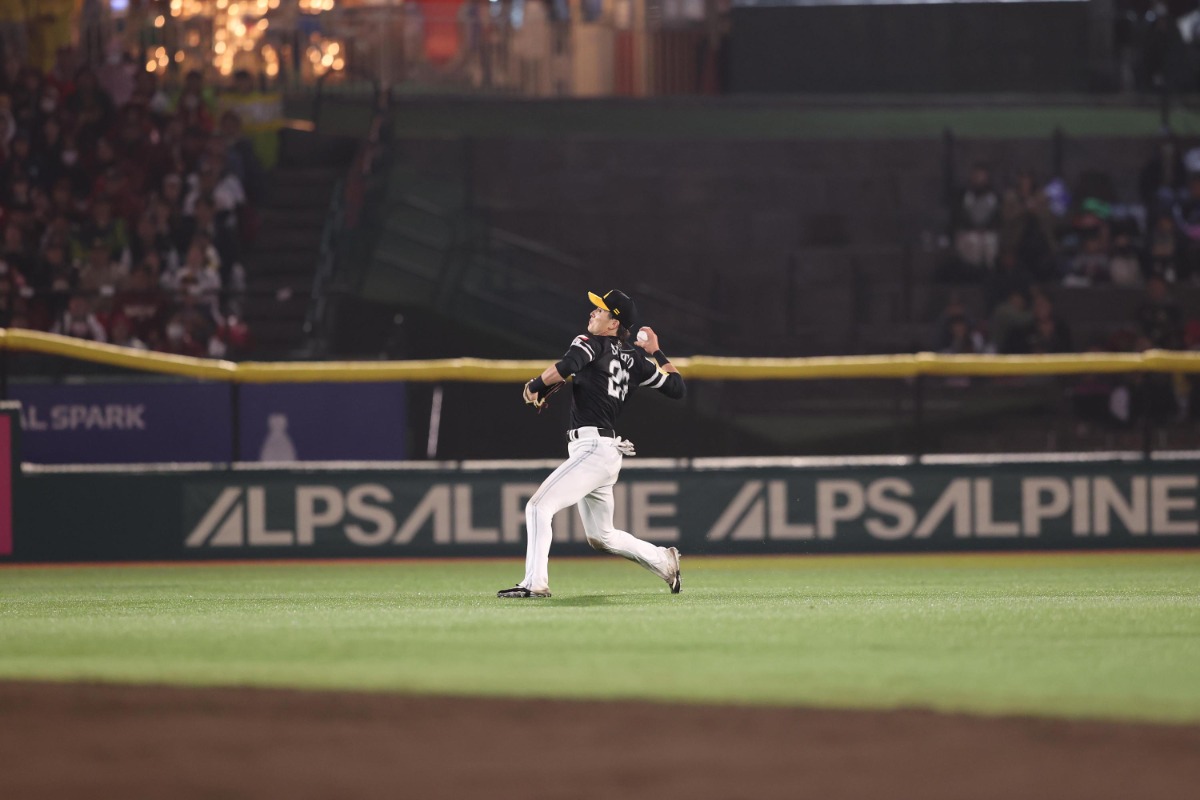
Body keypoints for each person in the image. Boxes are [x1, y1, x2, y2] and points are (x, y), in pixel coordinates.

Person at [498, 289, 686, 599]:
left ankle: (535, 583)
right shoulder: (637, 361)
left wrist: (535, 385)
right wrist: (656, 351)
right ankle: (662, 559)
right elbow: (677, 387)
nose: (592, 313)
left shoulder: (591, 343)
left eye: (600, 310)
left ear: (614, 324)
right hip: (605, 451)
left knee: (538, 506)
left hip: (593, 448)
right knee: (602, 536)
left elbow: (568, 364)